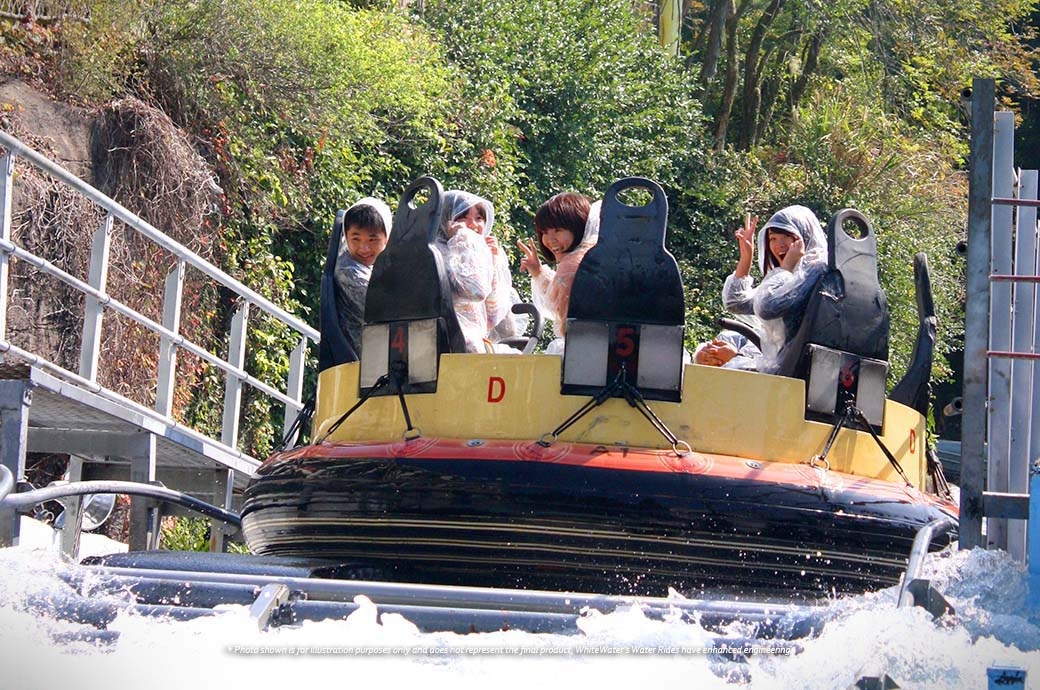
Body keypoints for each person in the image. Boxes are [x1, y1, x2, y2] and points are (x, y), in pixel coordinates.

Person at [713, 205, 828, 374]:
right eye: (773, 239)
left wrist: (786, 267)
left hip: (796, 370)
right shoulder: (792, 276)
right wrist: (746, 258)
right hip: (783, 365)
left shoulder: (816, 267)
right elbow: (736, 303)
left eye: (787, 236)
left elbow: (767, 306)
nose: (779, 245)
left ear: (804, 235)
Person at [517, 192, 600, 354]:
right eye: (545, 232)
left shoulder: (571, 264)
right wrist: (538, 272)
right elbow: (558, 291)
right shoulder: (596, 256)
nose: (550, 239)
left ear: (578, 226)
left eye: (558, 230)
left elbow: (564, 321)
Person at [438, 190, 517, 353]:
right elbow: (475, 291)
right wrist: (462, 240)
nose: (473, 225)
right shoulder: (438, 253)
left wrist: (493, 263)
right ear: (445, 220)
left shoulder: (475, 255)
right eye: (462, 218)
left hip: (474, 341)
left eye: (479, 218)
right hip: (451, 341)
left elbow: (494, 318)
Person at [332, 196, 392, 356]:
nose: (364, 248)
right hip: (362, 360)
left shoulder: (373, 265)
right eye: (356, 239)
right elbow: (387, 309)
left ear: (386, 239)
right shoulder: (349, 270)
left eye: (373, 240)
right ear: (346, 236)